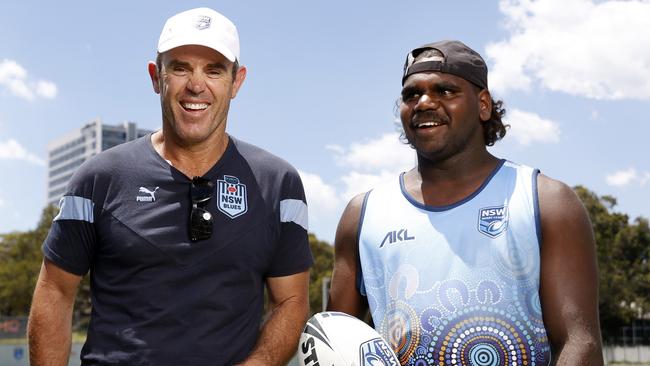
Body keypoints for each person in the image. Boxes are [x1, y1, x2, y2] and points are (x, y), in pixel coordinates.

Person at [28, 7, 312, 366]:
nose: (197, 85)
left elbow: (291, 302)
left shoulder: (279, 183)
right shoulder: (97, 178)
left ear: (236, 82)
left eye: (214, 70)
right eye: (180, 67)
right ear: (155, 76)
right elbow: (54, 290)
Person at [327, 40, 603, 365]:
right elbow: (334, 343)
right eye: (411, 94)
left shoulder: (545, 201)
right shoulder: (363, 214)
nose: (424, 103)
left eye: (445, 91)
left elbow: (579, 343)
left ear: (483, 104)